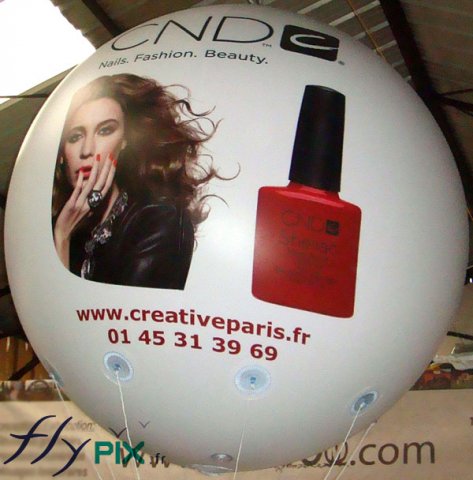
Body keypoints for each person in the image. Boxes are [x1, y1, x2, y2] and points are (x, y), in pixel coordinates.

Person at [52, 73, 219, 289]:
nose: (87, 150)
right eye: (75, 137)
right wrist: (62, 235)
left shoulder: (158, 220)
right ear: (61, 154)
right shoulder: (63, 228)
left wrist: (62, 237)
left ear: (124, 142)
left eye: (105, 131)